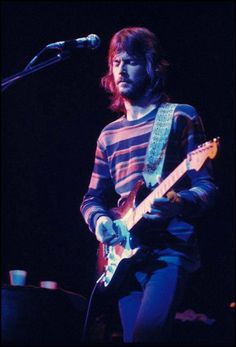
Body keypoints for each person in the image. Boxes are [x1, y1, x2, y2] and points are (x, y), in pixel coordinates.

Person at [80, 27, 218, 343]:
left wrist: (179, 203)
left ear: (150, 65)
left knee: (147, 336)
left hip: (168, 250)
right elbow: (91, 198)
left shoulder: (180, 116)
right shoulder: (108, 136)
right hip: (123, 256)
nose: (121, 70)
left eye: (130, 61)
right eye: (115, 62)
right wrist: (101, 221)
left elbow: (207, 187)